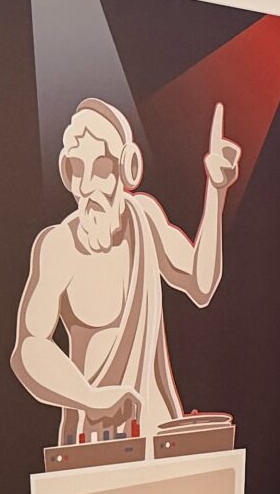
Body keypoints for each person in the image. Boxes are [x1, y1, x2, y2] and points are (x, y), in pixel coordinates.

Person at [12, 99, 240, 443]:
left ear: (127, 168)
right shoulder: (58, 246)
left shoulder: (144, 218)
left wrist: (216, 191)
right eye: (76, 168)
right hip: (95, 440)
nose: (86, 186)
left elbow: (201, 283)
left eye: (101, 168)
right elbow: (30, 347)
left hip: (159, 429)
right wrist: (90, 398)